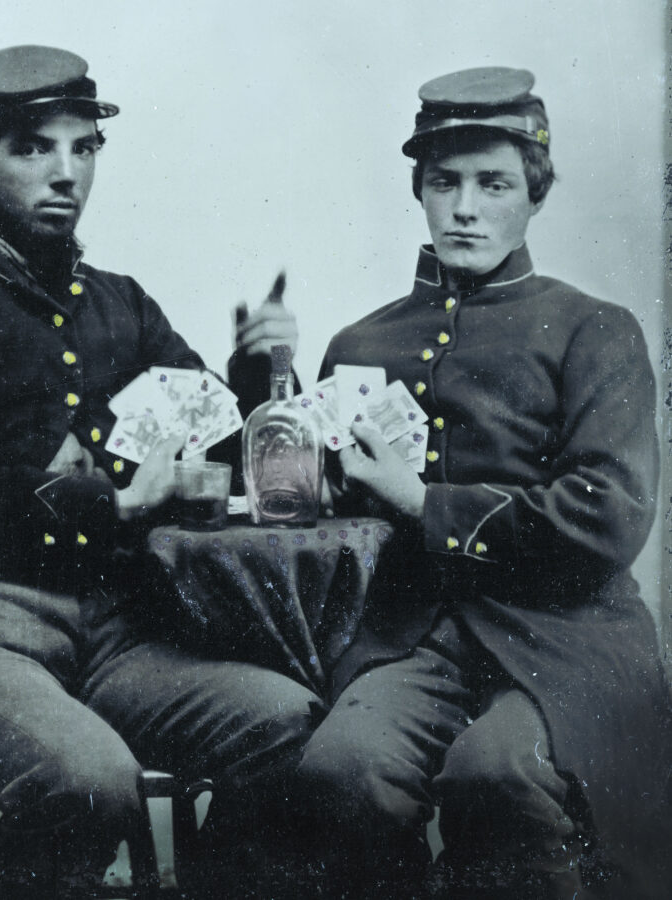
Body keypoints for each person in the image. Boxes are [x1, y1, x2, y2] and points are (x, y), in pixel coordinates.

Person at [0, 45, 321, 897]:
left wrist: (255, 374)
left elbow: (209, 437)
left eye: (82, 147)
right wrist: (125, 499)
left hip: (118, 634)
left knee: (288, 725)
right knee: (88, 783)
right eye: (32, 147)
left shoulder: (121, 303)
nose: (65, 173)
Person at [294, 67, 672, 899]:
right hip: (411, 636)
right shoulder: (360, 343)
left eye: (492, 183)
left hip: (568, 640)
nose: (464, 207)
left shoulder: (594, 330)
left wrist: (419, 501)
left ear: (531, 194)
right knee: (341, 771)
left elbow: (607, 518)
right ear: (420, 192)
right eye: (444, 182)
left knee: (495, 776)